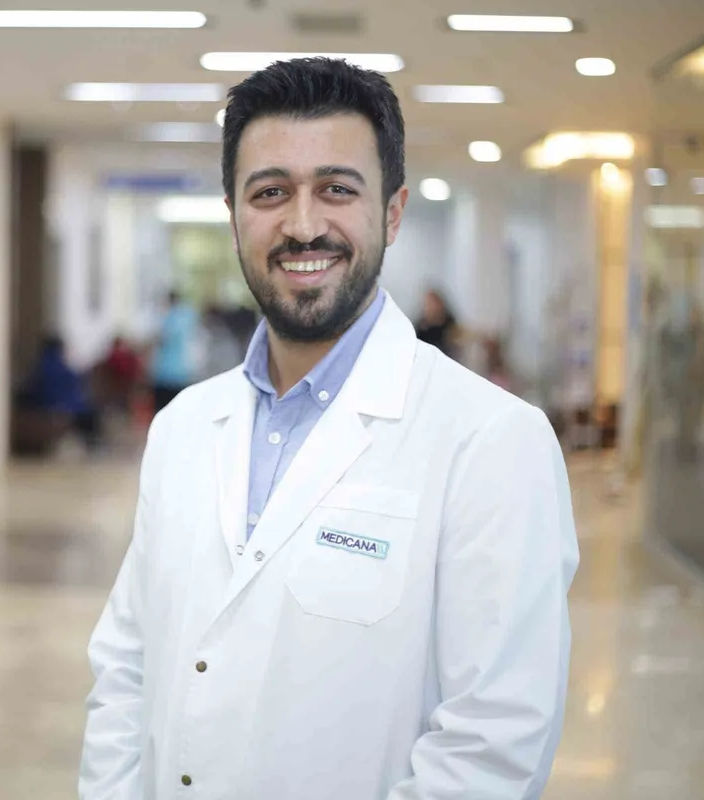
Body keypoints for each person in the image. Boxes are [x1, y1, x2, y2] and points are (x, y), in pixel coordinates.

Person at [80, 58, 579, 800]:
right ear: (234, 215)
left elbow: (493, 744)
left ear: (393, 213)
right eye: (270, 192)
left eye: (337, 189)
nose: (303, 225)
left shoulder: (492, 441)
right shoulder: (184, 426)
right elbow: (127, 668)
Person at [17, 334, 102, 450]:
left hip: (48, 413)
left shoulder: (38, 369)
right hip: (68, 415)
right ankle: (94, 445)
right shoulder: (66, 370)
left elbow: (30, 391)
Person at [149, 290, 199, 413]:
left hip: (166, 374)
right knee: (180, 410)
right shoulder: (188, 316)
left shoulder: (167, 318)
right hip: (183, 372)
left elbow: (160, 339)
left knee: (163, 410)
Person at [415, 288, 460, 361]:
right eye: (428, 304)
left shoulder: (449, 323)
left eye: (432, 303)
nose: (430, 307)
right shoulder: (421, 327)